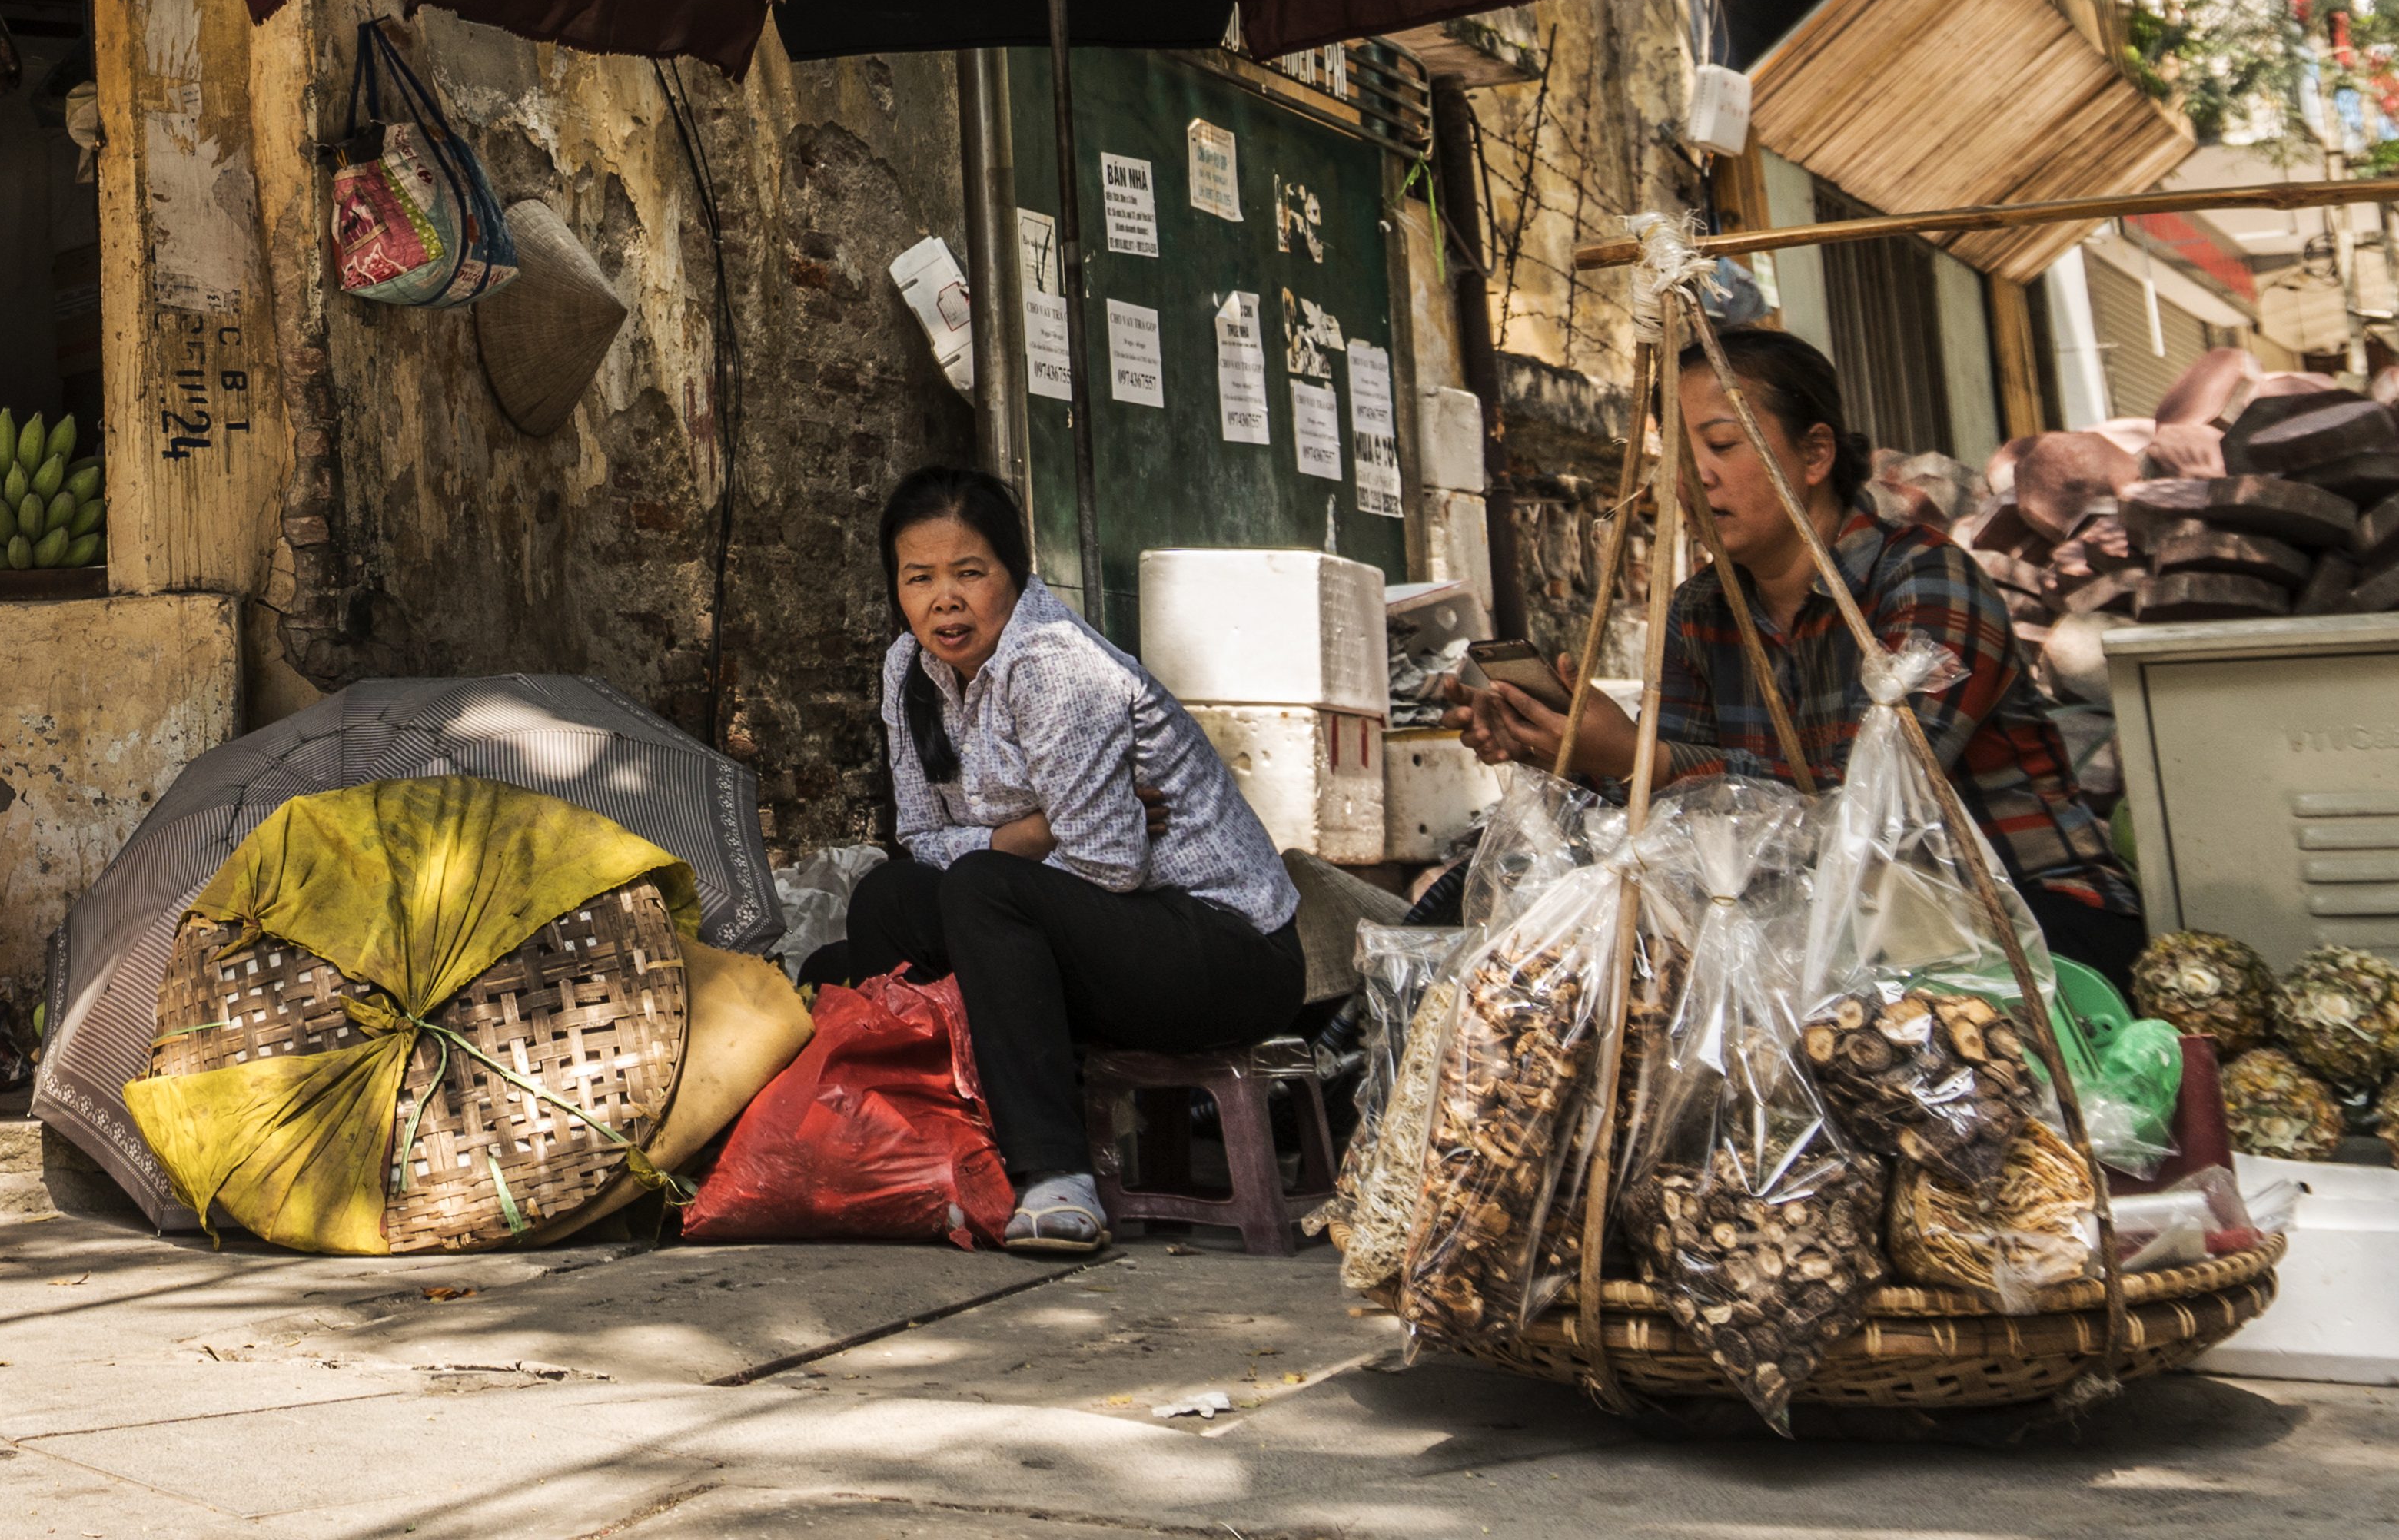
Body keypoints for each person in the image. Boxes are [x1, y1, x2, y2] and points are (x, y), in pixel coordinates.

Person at [1460, 324, 2145, 977]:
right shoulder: (1700, 610)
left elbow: (1868, 807)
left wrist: (1638, 756)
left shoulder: (1924, 579)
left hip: (2027, 918)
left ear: (1815, 455)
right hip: (1835, 928)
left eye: (1721, 445)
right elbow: (1678, 819)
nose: (1692, 479)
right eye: (1675, 454)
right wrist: (1566, 751)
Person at [820, 466, 1307, 1257]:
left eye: (969, 572)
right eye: (919, 578)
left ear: (1015, 573)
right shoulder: (908, 669)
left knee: (981, 892)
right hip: (1101, 930)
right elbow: (919, 837)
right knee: (886, 900)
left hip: (1225, 952)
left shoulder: (1054, 662)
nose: (944, 600)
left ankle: (1055, 1177)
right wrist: (1033, 832)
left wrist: (1001, 861)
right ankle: (923, 1155)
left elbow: (1108, 865)